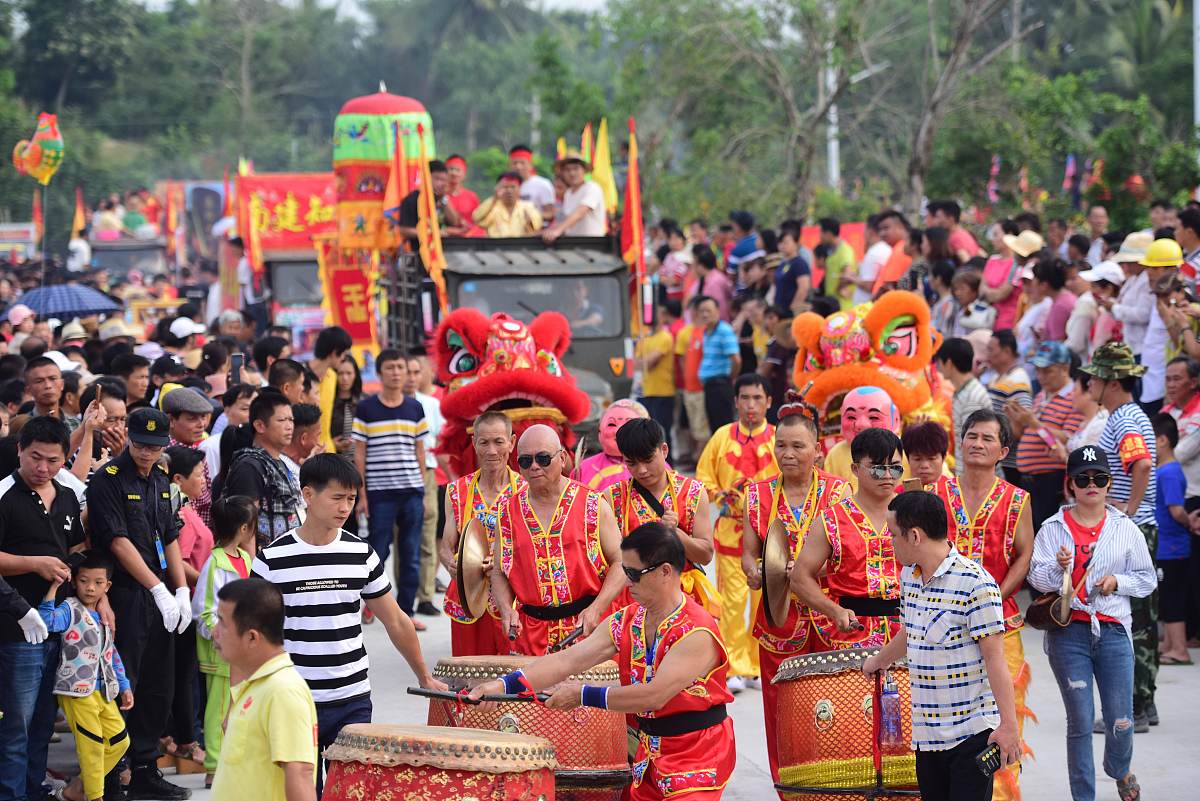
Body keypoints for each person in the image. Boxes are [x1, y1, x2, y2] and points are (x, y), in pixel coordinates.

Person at [468, 521, 736, 801]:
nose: (627, 581)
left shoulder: (696, 631)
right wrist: (501, 687)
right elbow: (567, 661)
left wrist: (582, 694)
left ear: (665, 572)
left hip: (698, 754)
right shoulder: (629, 620)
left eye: (634, 573)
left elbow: (654, 696)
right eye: (624, 571)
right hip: (651, 752)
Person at [251, 455, 445, 790]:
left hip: (352, 697)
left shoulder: (361, 554)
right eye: (337, 497)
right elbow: (252, 636)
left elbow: (396, 621)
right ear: (308, 496)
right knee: (302, 792)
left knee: (350, 790)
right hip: (296, 700)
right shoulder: (272, 559)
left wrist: (423, 675)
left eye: (352, 499)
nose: (345, 507)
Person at [862, 491, 1021, 801]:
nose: (890, 543)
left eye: (894, 535)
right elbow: (911, 633)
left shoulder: (976, 584)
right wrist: (878, 661)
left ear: (915, 536)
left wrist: (1009, 728)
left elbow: (996, 660)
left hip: (970, 734)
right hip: (927, 736)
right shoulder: (909, 576)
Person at [1029, 446, 1156, 801]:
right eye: (1082, 479)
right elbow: (1037, 579)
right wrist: (1058, 567)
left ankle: (1119, 769)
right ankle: (1083, 797)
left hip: (1113, 628)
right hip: (1068, 633)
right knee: (1081, 721)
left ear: (1109, 483)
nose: (1091, 485)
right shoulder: (1053, 528)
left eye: (1099, 478)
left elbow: (1147, 579)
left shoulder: (1125, 528)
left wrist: (1118, 582)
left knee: (1121, 720)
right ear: (1070, 484)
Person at [929, 409, 1034, 801]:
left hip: (1000, 625)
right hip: (944, 627)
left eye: (987, 439)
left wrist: (996, 596)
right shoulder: (937, 491)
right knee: (948, 720)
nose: (976, 443)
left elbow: (1024, 553)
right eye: (971, 435)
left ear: (1002, 450)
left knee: (1005, 720)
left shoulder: (1017, 499)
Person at [88, 407, 193, 800]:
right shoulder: (108, 480)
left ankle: (146, 766)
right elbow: (117, 540)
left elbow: (170, 536)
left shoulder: (163, 480)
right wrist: (157, 588)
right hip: (127, 594)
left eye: (155, 446)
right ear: (128, 437)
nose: (147, 453)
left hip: (160, 594)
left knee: (157, 685)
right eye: (141, 444)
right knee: (122, 683)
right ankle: (114, 773)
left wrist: (179, 589)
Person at [741, 408, 848, 789]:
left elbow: (849, 551)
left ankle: (836, 785)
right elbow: (748, 553)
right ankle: (789, 787)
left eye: (798, 446)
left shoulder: (839, 492)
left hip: (828, 613)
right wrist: (754, 571)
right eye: (781, 445)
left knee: (835, 705)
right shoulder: (756, 495)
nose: (787, 453)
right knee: (782, 709)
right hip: (780, 619)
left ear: (817, 449)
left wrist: (808, 571)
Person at [0, 417, 87, 801]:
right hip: (15, 626)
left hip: (59, 623)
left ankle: (34, 787)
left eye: (53, 460)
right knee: (16, 724)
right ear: (19, 449)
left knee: (41, 722)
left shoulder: (67, 495)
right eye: (35, 457)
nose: (43, 468)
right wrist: (34, 563)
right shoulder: (5, 495)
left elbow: (76, 547)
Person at [491, 424, 625, 655]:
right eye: (525, 461)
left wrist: (596, 609)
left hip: (587, 632)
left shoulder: (593, 503)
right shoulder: (506, 512)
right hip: (530, 636)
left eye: (543, 458)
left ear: (562, 458)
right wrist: (505, 608)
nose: (534, 466)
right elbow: (499, 570)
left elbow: (621, 562)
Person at [1081, 342, 1159, 730]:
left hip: (1134, 527)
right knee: (1140, 619)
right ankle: (1142, 704)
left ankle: (1134, 708)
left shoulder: (1125, 420)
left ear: (1111, 380)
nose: (1089, 382)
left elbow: (1141, 464)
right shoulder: (1125, 415)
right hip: (1138, 525)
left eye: (1094, 376)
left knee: (1130, 620)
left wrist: (1128, 511)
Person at [695, 374, 777, 690]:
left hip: (771, 536)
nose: (751, 405)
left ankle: (758, 664)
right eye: (745, 398)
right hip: (730, 534)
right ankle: (734, 665)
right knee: (732, 602)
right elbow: (702, 479)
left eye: (757, 398)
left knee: (764, 602)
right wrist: (721, 495)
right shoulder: (722, 437)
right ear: (736, 401)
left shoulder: (777, 438)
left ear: (769, 402)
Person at [791, 428, 904, 649]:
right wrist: (834, 611)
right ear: (855, 469)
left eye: (895, 468)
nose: (888, 476)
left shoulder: (914, 513)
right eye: (878, 469)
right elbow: (799, 577)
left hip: (908, 635)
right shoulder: (832, 519)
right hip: (851, 637)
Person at [208, 578, 318, 801]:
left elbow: (300, 774)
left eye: (222, 623)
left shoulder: (283, 690)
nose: (214, 632)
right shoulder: (255, 684)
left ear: (251, 637)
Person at [37, 550, 133, 801]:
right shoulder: (71, 609)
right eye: (84, 581)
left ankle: (78, 788)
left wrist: (124, 684)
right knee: (91, 746)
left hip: (103, 690)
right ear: (75, 581)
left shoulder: (103, 616)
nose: (90, 588)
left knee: (119, 741)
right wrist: (55, 587)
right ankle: (94, 796)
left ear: (107, 586)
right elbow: (47, 622)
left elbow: (110, 652)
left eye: (98, 583)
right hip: (76, 690)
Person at [350, 348, 428, 618]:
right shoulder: (366, 408)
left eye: (400, 368)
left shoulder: (414, 408)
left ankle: (406, 612)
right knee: (377, 551)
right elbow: (359, 453)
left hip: (412, 492)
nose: (396, 373)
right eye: (390, 368)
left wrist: (423, 492)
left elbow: (420, 451)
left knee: (411, 554)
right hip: (380, 493)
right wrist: (362, 495)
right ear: (380, 373)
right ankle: (372, 603)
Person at [610, 418, 717, 614]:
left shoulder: (693, 492)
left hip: (680, 600)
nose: (641, 470)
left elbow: (706, 554)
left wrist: (675, 534)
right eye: (631, 463)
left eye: (648, 460)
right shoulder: (613, 498)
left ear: (664, 450)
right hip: (632, 602)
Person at [439, 412, 523, 656]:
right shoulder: (457, 491)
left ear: (512, 442)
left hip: (511, 599)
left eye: (499, 441)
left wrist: (502, 564)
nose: (492, 450)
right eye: (484, 442)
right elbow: (446, 546)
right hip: (467, 595)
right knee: (469, 678)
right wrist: (451, 565)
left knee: (511, 682)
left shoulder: (525, 491)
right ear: (474, 443)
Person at [193, 495, 257, 783]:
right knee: (219, 707)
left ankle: (234, 761)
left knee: (241, 705)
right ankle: (214, 765)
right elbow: (203, 611)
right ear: (244, 528)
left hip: (243, 650)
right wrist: (221, 640)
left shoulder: (244, 559)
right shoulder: (215, 563)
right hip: (221, 654)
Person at [1008, 341, 1084, 529]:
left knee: (1043, 531)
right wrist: (1014, 419)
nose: (1041, 376)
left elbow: (1067, 439)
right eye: (1038, 371)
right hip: (1029, 478)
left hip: (1051, 479)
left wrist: (1033, 422)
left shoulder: (1075, 397)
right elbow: (1025, 435)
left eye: (1047, 371)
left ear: (1065, 368)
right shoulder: (1042, 395)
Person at [221, 390, 303, 546]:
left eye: (291, 420)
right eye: (281, 420)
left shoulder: (282, 462)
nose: (289, 426)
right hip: (264, 564)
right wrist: (254, 569)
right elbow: (245, 528)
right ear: (259, 425)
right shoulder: (249, 466)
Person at [1151, 413, 1192, 665]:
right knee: (1166, 595)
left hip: (1172, 546)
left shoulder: (1169, 472)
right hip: (1165, 546)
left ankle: (1179, 648)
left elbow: (1176, 510)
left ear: (1163, 440)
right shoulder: (1164, 471)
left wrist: (1189, 522)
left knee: (1172, 595)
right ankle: (1168, 642)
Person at [408, 354, 445, 618]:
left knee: (429, 535)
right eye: (406, 371)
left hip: (429, 474)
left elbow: (441, 443)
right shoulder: (381, 406)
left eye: (415, 371)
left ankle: (426, 595)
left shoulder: (431, 404)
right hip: (398, 476)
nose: (410, 377)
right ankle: (403, 597)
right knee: (403, 540)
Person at [935, 337, 993, 471]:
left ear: (948, 363)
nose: (937, 368)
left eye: (939, 362)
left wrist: (963, 475)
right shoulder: (964, 391)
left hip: (975, 475)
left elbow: (974, 442)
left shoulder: (972, 397)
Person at [985, 330, 1033, 485]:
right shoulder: (996, 377)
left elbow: (1023, 424)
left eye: (991, 350)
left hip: (1010, 462)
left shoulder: (1018, 379)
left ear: (1007, 351)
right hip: (999, 457)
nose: (988, 354)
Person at [694, 296, 740, 431]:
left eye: (708, 310)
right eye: (701, 311)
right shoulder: (707, 332)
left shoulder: (724, 330)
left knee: (723, 428)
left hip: (720, 385)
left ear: (717, 311)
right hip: (710, 386)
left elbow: (736, 360)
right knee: (715, 427)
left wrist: (728, 379)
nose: (704, 314)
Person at [306, 326, 352, 454]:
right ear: (334, 352)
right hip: (304, 454)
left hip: (328, 450)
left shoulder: (332, 376)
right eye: (343, 354)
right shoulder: (299, 375)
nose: (343, 358)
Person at [542, 150, 605, 241]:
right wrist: (547, 231)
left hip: (592, 243)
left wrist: (558, 231)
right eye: (568, 170)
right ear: (563, 173)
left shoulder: (592, 188)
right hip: (573, 243)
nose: (572, 173)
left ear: (584, 171)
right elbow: (566, 220)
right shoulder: (568, 193)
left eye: (576, 169)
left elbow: (581, 212)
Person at [635, 314, 677, 449]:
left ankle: (667, 463)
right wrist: (644, 362)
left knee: (663, 432)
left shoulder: (665, 337)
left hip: (663, 392)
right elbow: (635, 364)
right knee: (648, 432)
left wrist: (644, 361)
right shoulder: (644, 338)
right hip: (646, 392)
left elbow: (650, 363)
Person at [508, 144, 556, 223]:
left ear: (530, 165)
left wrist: (533, 216)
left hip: (537, 232)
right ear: (509, 165)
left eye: (522, 163)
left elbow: (551, 213)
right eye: (515, 163)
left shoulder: (543, 184)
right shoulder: (506, 185)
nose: (518, 167)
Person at [817, 217, 857, 308]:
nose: (820, 237)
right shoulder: (832, 251)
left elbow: (848, 273)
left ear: (828, 234)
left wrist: (839, 287)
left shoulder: (845, 251)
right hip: (832, 305)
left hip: (842, 306)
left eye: (821, 233)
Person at [1035, 259, 1076, 342]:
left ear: (1044, 285)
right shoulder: (1066, 298)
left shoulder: (1059, 307)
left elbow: (1058, 344)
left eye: (1035, 280)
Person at [330, 356, 361, 457]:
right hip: (334, 460)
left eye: (349, 373)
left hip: (358, 461)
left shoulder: (363, 401)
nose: (344, 378)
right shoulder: (327, 402)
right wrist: (331, 444)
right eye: (340, 373)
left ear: (355, 375)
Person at [950, 271, 996, 337]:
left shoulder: (981, 311)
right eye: (956, 289)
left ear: (975, 291)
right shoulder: (962, 310)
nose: (957, 293)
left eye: (962, 289)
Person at [444, 154, 479, 221]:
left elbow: (477, 222)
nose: (454, 173)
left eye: (458, 170)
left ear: (464, 174)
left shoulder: (472, 197)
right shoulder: (437, 195)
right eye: (451, 169)